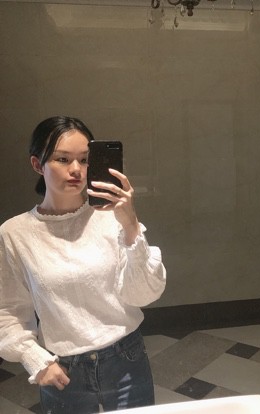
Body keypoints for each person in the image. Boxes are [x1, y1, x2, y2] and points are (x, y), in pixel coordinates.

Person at [0, 116, 166, 413]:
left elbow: (144, 294)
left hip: (126, 360)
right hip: (63, 370)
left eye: (85, 160)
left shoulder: (111, 216)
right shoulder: (15, 233)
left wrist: (130, 224)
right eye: (63, 159)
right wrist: (34, 358)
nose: (76, 169)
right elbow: (8, 309)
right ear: (37, 164)